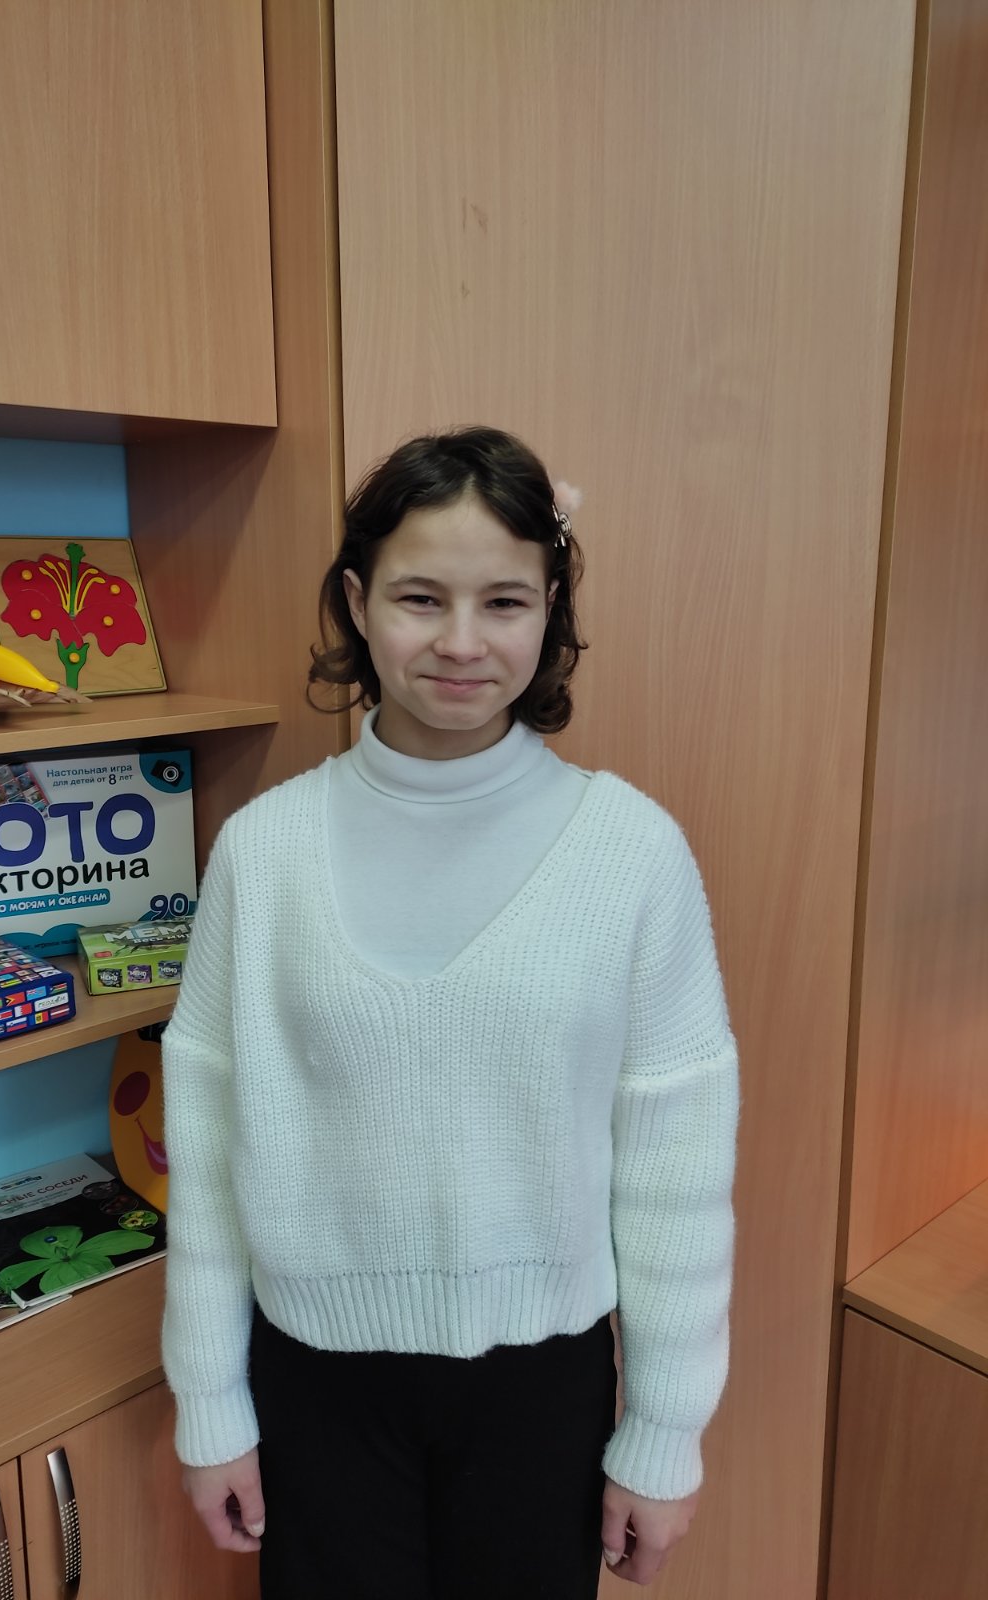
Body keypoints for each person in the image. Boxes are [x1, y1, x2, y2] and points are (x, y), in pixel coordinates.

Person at [161, 425, 739, 1598]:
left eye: (505, 601)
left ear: (551, 609)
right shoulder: (264, 851)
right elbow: (212, 1152)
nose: (463, 642)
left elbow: (677, 1170)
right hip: (312, 1377)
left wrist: (665, 1431)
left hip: (546, 1383)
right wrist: (208, 1403)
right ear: (358, 602)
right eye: (421, 597)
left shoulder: (632, 852)